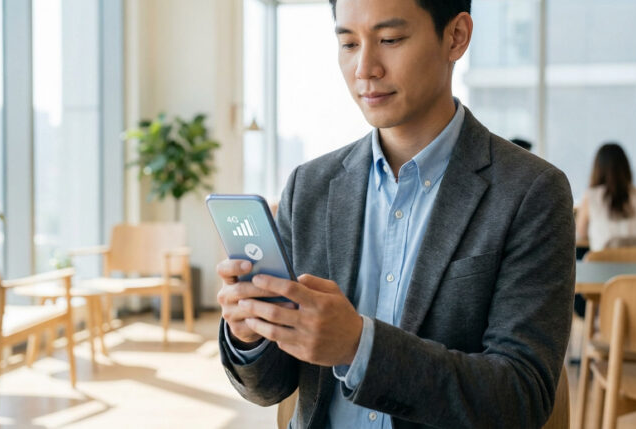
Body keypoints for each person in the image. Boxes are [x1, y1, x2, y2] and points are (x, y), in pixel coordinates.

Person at [216, 0, 576, 427]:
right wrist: (250, 334)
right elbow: (272, 387)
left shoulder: (530, 192)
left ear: (456, 37)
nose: (365, 68)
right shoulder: (309, 187)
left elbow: (521, 397)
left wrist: (359, 347)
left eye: (390, 39)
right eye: (348, 43)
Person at [576, 143, 636, 251]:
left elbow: (581, 233)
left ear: (597, 169)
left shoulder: (591, 196)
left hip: (606, 262)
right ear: (626, 168)